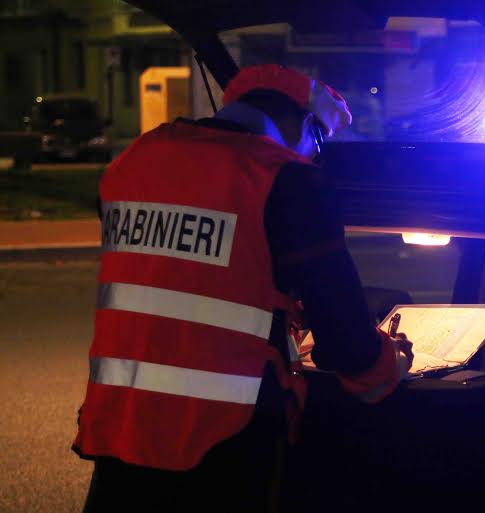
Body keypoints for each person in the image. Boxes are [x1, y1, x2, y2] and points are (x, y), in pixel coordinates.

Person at [73, 64, 414, 512]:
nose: (314, 155)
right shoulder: (285, 179)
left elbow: (179, 274)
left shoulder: (131, 160)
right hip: (221, 443)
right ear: (302, 122)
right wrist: (391, 361)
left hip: (121, 427)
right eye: (318, 141)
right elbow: (348, 344)